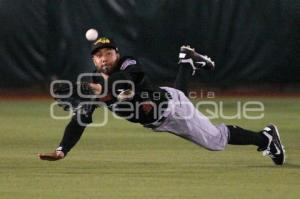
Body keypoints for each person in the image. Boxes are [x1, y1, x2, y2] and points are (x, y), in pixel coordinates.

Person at [38, 37, 285, 165]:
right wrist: (62, 150)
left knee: (215, 141)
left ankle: (266, 137)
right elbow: (80, 120)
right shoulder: (94, 81)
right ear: (93, 61)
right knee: (182, 97)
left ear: (117, 54)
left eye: (108, 53)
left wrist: (97, 89)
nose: (104, 58)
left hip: (170, 108)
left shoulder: (127, 63)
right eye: (99, 55)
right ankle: (186, 61)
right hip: (162, 113)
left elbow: (127, 80)